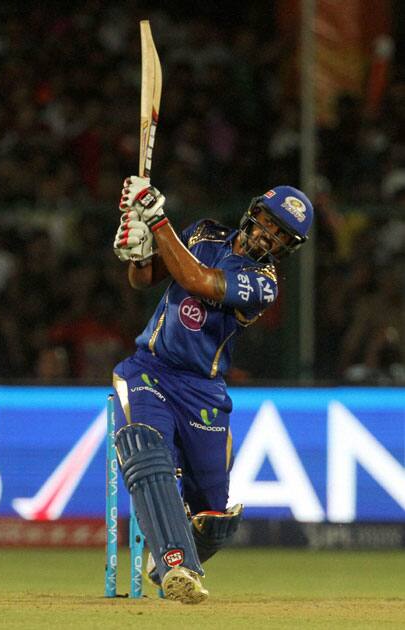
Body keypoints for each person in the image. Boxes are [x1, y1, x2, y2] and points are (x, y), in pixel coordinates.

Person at [112, 175, 313, 604]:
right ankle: (175, 563)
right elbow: (146, 278)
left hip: (202, 391)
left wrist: (157, 219)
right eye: (268, 222)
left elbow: (200, 281)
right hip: (151, 368)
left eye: (281, 235)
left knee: (214, 517)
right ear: (254, 212)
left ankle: (167, 556)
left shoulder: (264, 282)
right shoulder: (204, 232)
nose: (269, 235)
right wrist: (136, 247)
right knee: (146, 451)